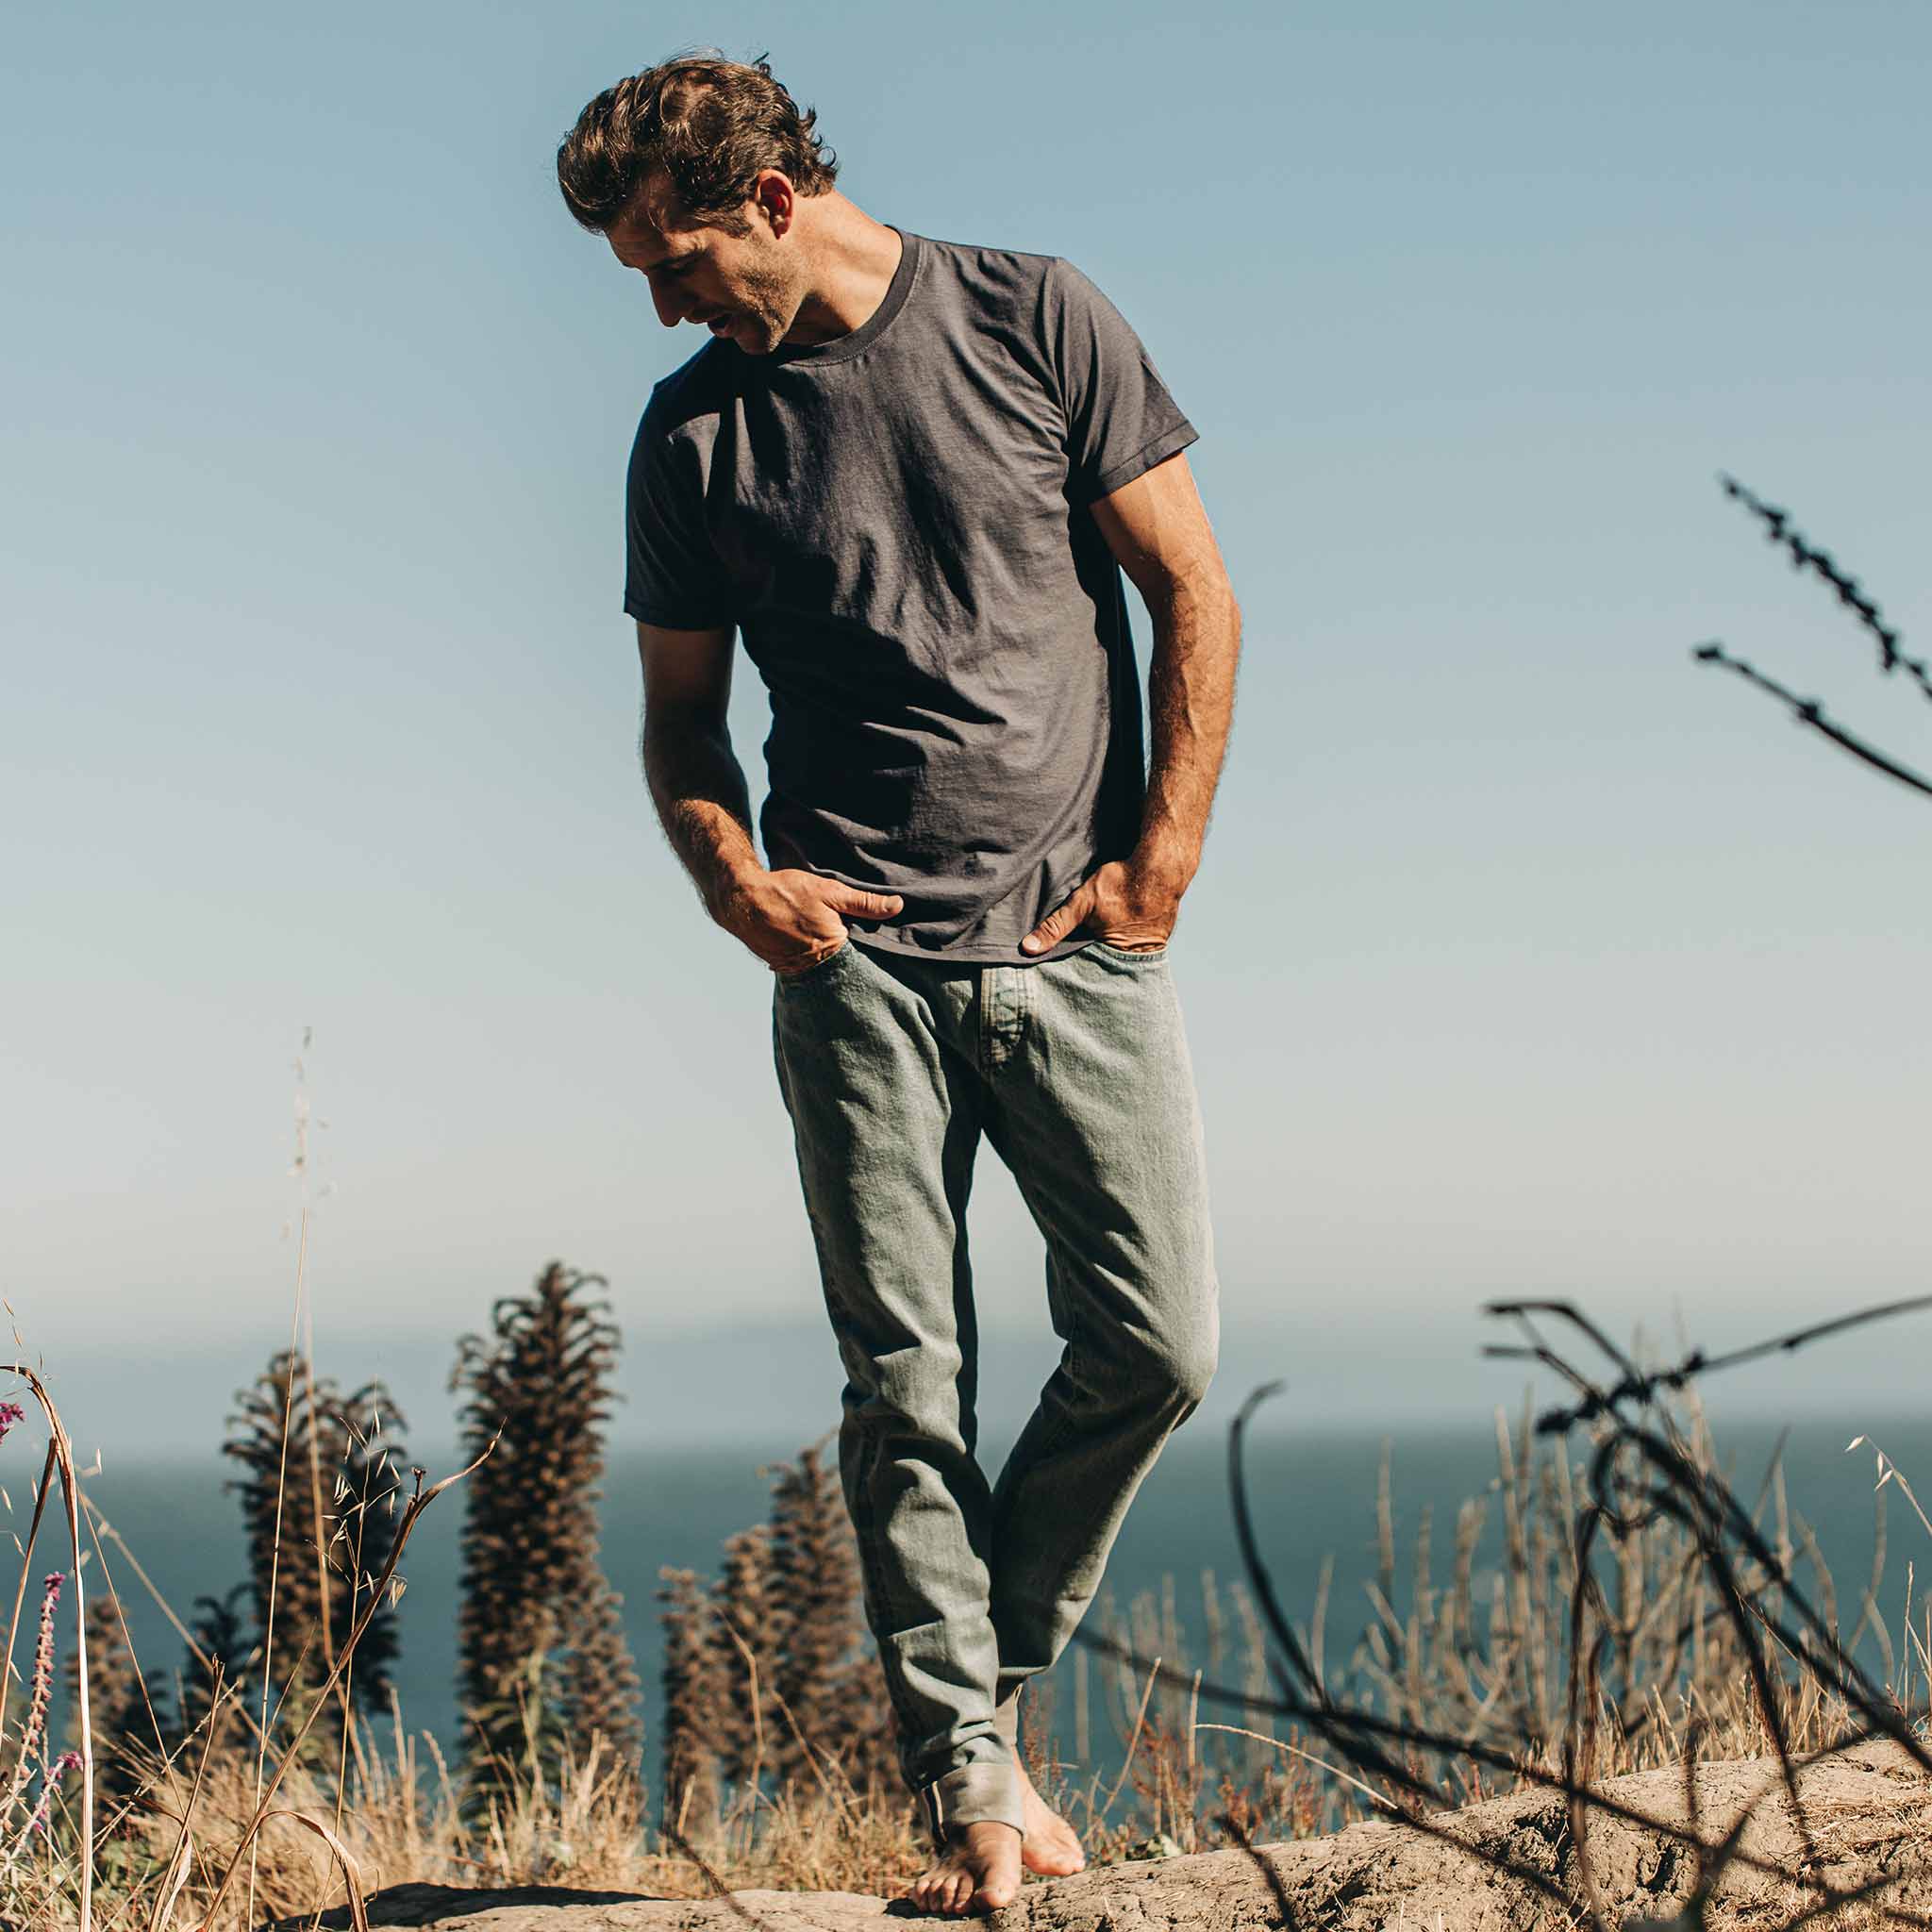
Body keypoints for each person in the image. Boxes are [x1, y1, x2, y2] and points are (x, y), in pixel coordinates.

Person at [558, 53, 1241, 1918]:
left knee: (1158, 1345)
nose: (660, 299)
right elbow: (681, 721)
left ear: (770, 196)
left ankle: (978, 1705)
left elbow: (1192, 588)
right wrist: (729, 878)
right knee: (905, 1383)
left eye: (672, 257)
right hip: (852, 965)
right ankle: (970, 1786)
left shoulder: (1035, 316)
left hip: (1079, 944)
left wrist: (1164, 849)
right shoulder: (689, 441)